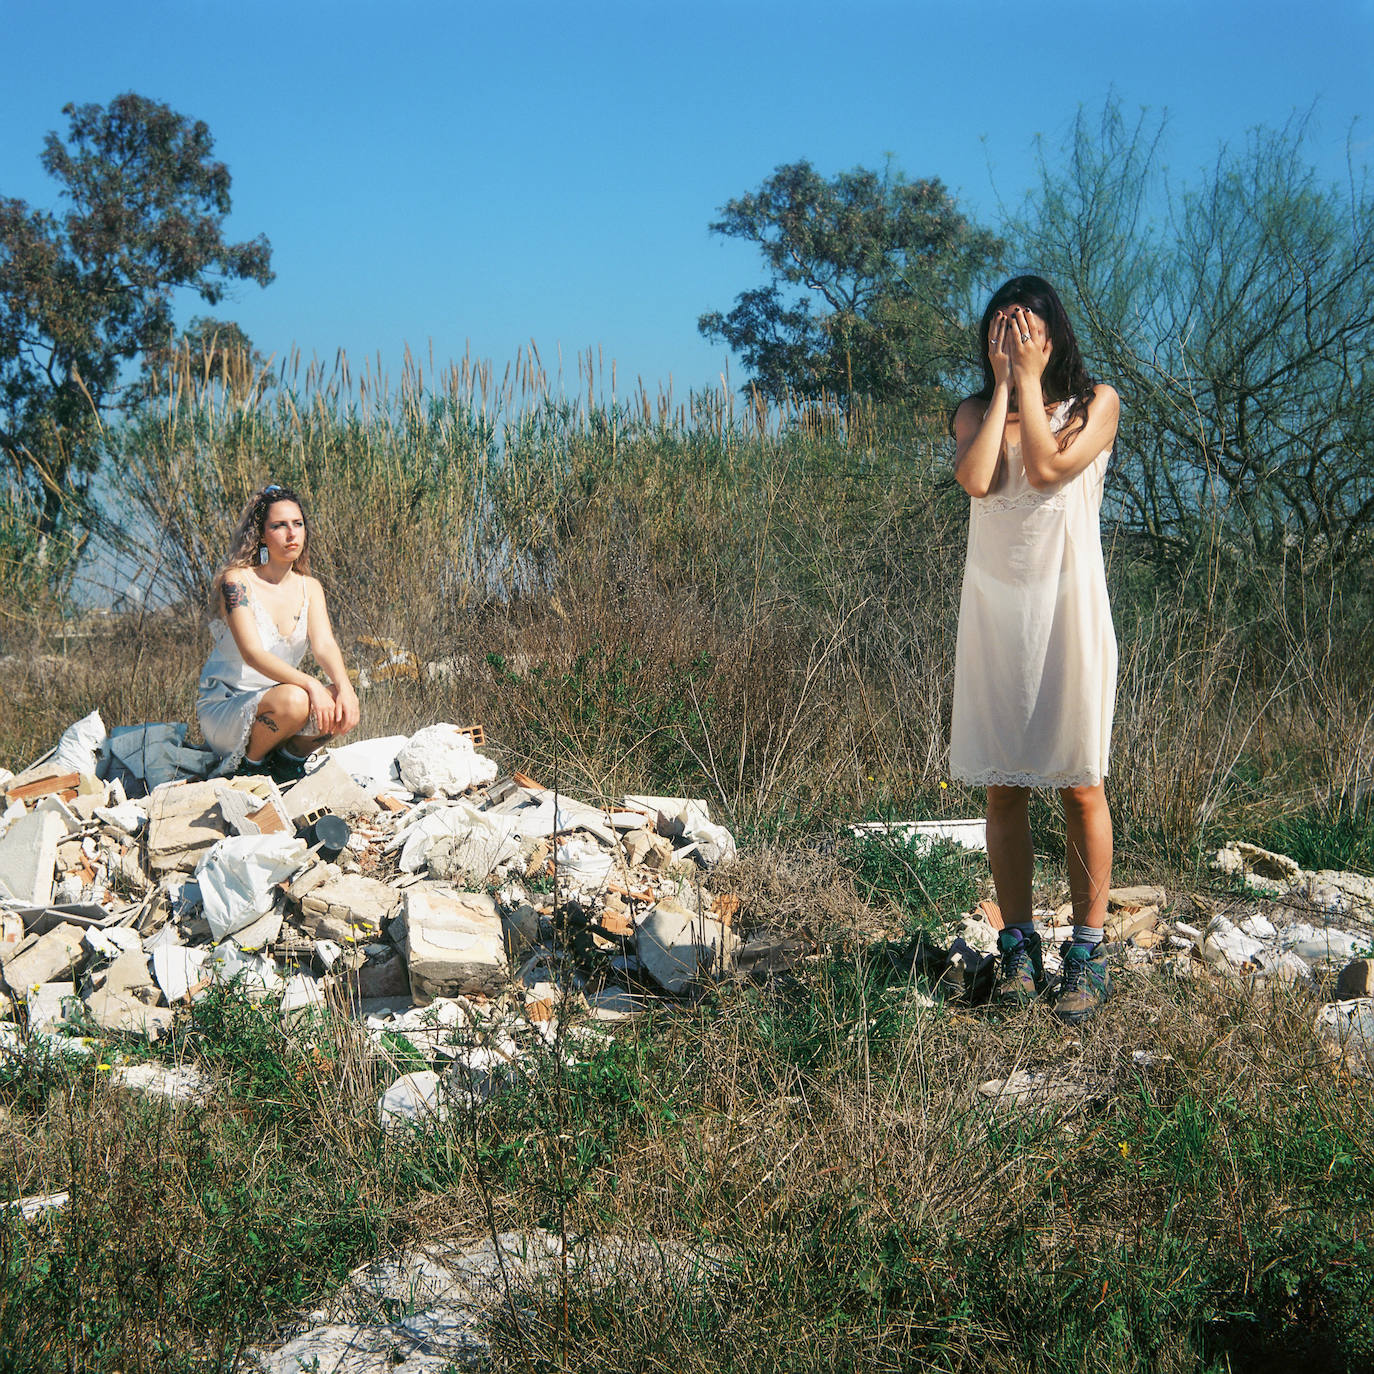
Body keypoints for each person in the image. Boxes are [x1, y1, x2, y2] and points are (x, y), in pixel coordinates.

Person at [949, 275, 1120, 1025]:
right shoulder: (973, 415)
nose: (1012, 340)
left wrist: (1030, 383)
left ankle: (1087, 949)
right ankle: (1018, 945)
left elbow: (1049, 469)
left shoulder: (1095, 404)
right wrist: (1003, 391)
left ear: (1053, 335)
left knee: (1080, 781)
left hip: (1069, 609)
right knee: (1004, 787)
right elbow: (980, 479)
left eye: (1025, 329)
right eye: (1001, 329)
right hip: (996, 616)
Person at [196, 483, 360, 783]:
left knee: (338, 700)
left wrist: (345, 688)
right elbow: (252, 654)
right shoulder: (236, 582)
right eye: (279, 526)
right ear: (261, 535)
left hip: (280, 703)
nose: (291, 533)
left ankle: (288, 762)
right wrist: (311, 684)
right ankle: (250, 766)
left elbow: (323, 645)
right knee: (297, 699)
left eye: (297, 524)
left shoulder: (309, 587)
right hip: (229, 705)